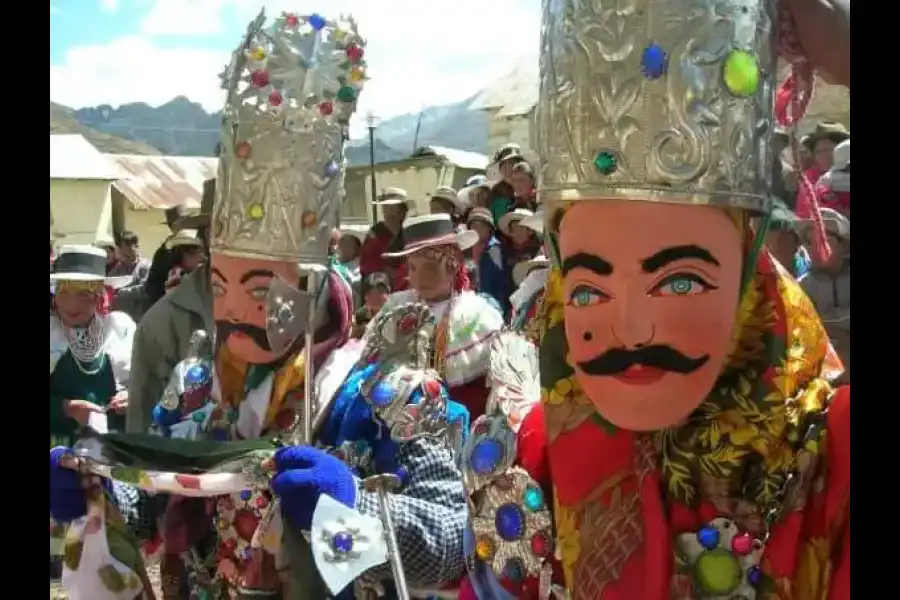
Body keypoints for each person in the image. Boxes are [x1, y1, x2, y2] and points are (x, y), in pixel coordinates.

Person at [51, 13, 464, 600]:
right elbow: (150, 504)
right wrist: (95, 488)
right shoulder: (196, 386)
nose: (234, 310)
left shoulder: (387, 394)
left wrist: (356, 511)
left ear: (317, 282)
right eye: (219, 285)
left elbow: (452, 543)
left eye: (262, 289)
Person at [459, 2, 849, 598]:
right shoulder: (534, 458)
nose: (632, 329)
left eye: (681, 281)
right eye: (588, 288)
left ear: (749, 273)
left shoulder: (830, 460)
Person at [371, 213, 505, 420]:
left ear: (452, 266)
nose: (419, 277)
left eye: (430, 268)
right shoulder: (398, 308)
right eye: (413, 268)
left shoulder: (477, 315)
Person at [800, 208, 850, 380]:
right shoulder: (802, 287)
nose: (817, 248)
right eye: (810, 242)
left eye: (825, 240)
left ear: (844, 245)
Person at [359, 187, 411, 290]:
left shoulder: (408, 232)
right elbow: (366, 261)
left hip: (403, 285)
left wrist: (401, 273)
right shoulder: (375, 232)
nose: (387, 211)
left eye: (393, 208)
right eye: (386, 207)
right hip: (378, 286)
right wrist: (385, 270)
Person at [467, 206, 510, 315]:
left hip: (491, 306)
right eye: (474, 226)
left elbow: (500, 285)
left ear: (489, 229)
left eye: (482, 226)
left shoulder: (494, 250)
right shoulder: (469, 249)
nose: (477, 230)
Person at [351, 272, 391, 339]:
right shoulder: (361, 315)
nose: (366, 297)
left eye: (370, 293)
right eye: (366, 294)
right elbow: (353, 336)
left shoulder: (396, 311)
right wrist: (360, 330)